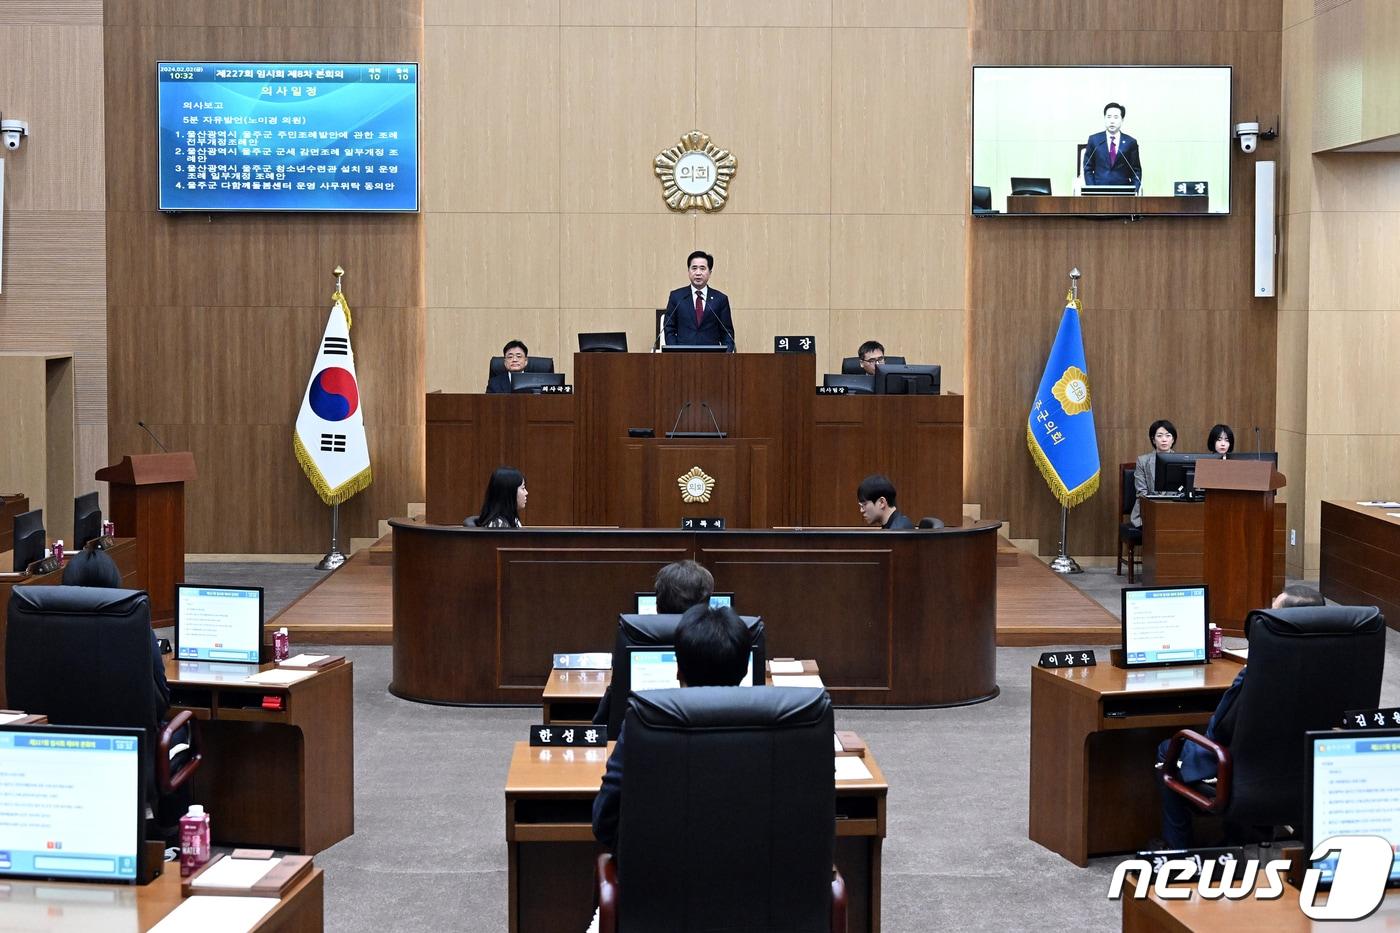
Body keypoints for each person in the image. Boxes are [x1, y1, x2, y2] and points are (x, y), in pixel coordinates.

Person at [1155, 584, 1326, 849]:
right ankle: (1244, 837)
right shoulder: (1341, 669)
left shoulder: (1257, 675)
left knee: (1170, 749)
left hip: (1247, 781)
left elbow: (1219, 731)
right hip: (1311, 777)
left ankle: (1177, 852)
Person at [592, 604, 752, 851]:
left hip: (657, 885)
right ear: (744, 671)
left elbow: (604, 823)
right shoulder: (783, 727)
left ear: (678, 671)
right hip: (757, 883)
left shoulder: (642, 725)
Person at [591, 560, 716, 728]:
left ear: (657, 607)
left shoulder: (632, 638)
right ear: (708, 606)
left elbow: (605, 725)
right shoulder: (725, 648)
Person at [62, 548, 172, 714]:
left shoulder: (46, 626)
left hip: (57, 734)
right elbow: (161, 698)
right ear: (114, 580)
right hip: (133, 736)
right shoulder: (135, 624)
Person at [662, 250, 735, 352]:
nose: (698, 273)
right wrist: (675, 352)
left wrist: (726, 356)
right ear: (688, 271)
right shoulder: (677, 297)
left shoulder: (720, 299)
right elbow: (669, 328)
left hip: (712, 358)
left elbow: (727, 333)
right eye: (694, 268)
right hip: (682, 356)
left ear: (709, 273)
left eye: (702, 268)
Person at [1082, 101, 1142, 190]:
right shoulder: (1094, 140)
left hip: (1124, 192)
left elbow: (1136, 170)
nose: (1112, 121)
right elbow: (1088, 167)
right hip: (1098, 191)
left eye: (1116, 117)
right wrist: (1092, 189)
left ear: (1122, 120)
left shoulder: (1130, 142)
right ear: (1104, 118)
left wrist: (1134, 191)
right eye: (1109, 117)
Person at [1131, 419, 1177, 528]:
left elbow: (1182, 490)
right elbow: (1141, 492)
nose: (1164, 439)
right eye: (1159, 436)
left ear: (1173, 439)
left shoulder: (1181, 460)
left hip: (1174, 510)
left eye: (1168, 435)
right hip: (1148, 511)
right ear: (1153, 439)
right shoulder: (1143, 461)